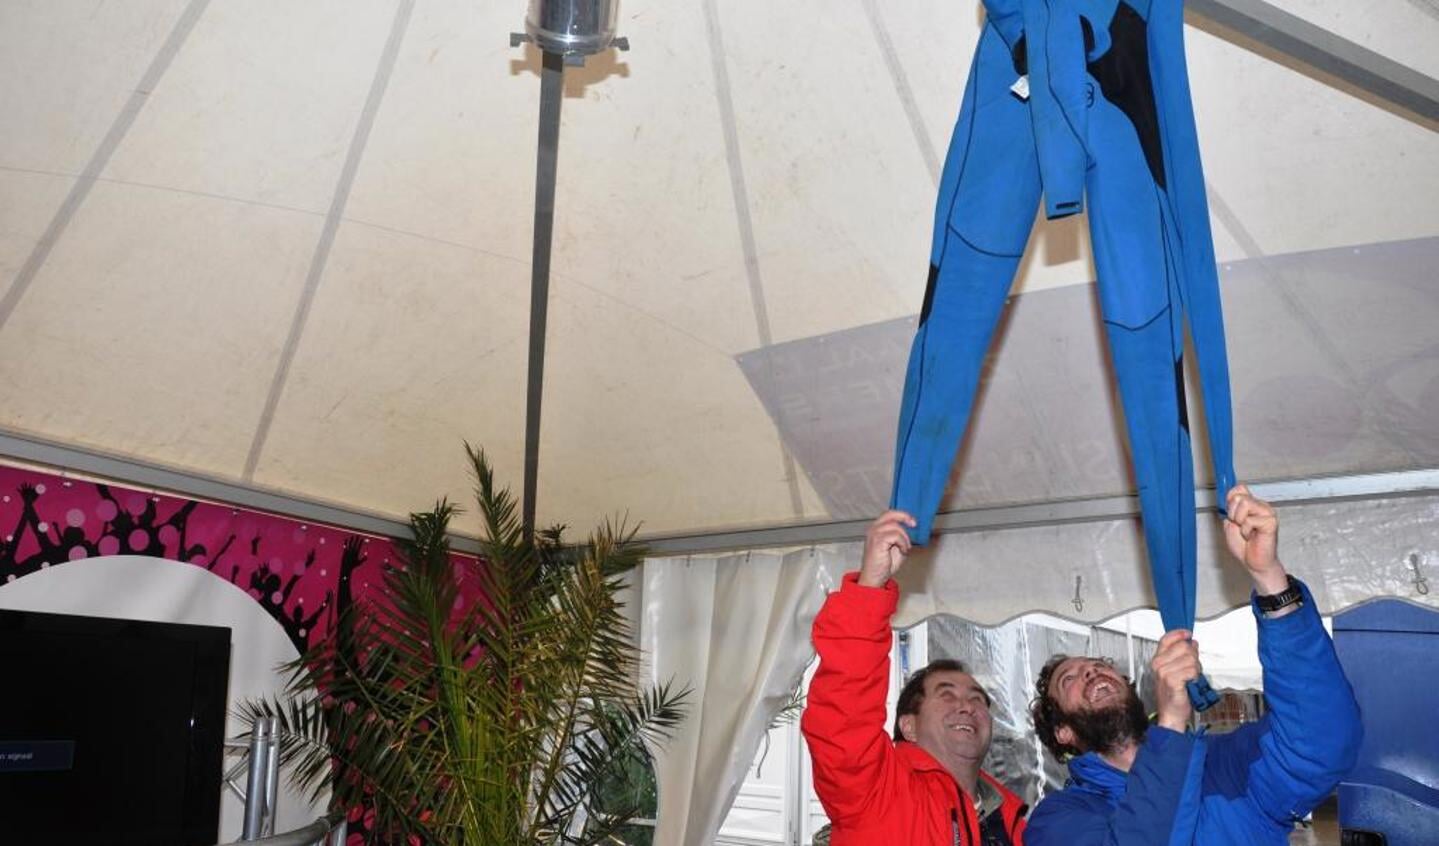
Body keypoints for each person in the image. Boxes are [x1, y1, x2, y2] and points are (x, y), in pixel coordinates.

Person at [1025, 485, 1362, 845]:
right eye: (1070, 679)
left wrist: (1270, 580)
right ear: (1063, 732)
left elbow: (1323, 743)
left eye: (1098, 664)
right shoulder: (1059, 820)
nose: (1091, 670)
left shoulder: (1220, 768)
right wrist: (1170, 726)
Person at [801, 510, 1027, 845]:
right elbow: (842, 719)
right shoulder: (878, 794)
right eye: (946, 694)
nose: (967, 706)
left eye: (977, 698)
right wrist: (869, 589)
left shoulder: (1012, 821)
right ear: (908, 727)